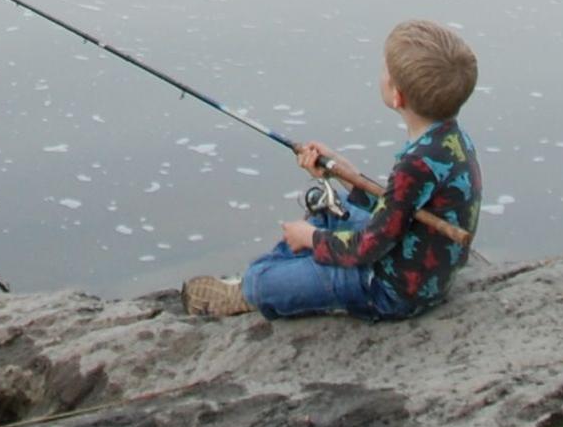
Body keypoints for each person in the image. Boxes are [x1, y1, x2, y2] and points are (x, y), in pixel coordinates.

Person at [182, 19, 481, 321]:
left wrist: (312, 239)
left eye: (385, 72)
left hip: (391, 289)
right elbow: (400, 209)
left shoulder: (415, 164)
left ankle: (251, 288)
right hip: (419, 263)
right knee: (328, 212)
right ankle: (287, 270)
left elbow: (370, 246)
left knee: (264, 279)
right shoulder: (451, 138)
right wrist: (345, 173)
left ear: (397, 96)